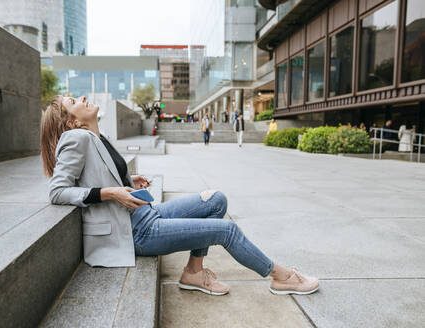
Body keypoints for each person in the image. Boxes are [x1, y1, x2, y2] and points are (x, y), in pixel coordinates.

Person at [40, 95, 319, 297]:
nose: (83, 97)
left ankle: (194, 273)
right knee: (227, 230)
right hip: (137, 232)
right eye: (74, 101)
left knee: (216, 199)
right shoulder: (75, 138)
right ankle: (281, 276)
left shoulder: (98, 137)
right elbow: (57, 191)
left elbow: (103, 173)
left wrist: (127, 181)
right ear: (72, 121)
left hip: (147, 213)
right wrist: (110, 192)